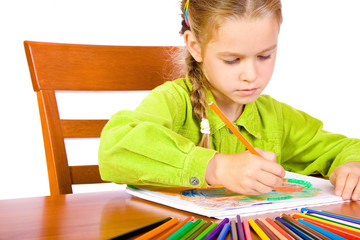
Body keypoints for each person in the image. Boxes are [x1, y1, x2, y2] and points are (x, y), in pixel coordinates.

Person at [98, 0, 360, 201]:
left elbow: (344, 148)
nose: (251, 75)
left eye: (265, 56)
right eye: (232, 60)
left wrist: (352, 166)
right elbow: (115, 148)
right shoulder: (173, 101)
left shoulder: (275, 118)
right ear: (195, 46)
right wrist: (215, 167)